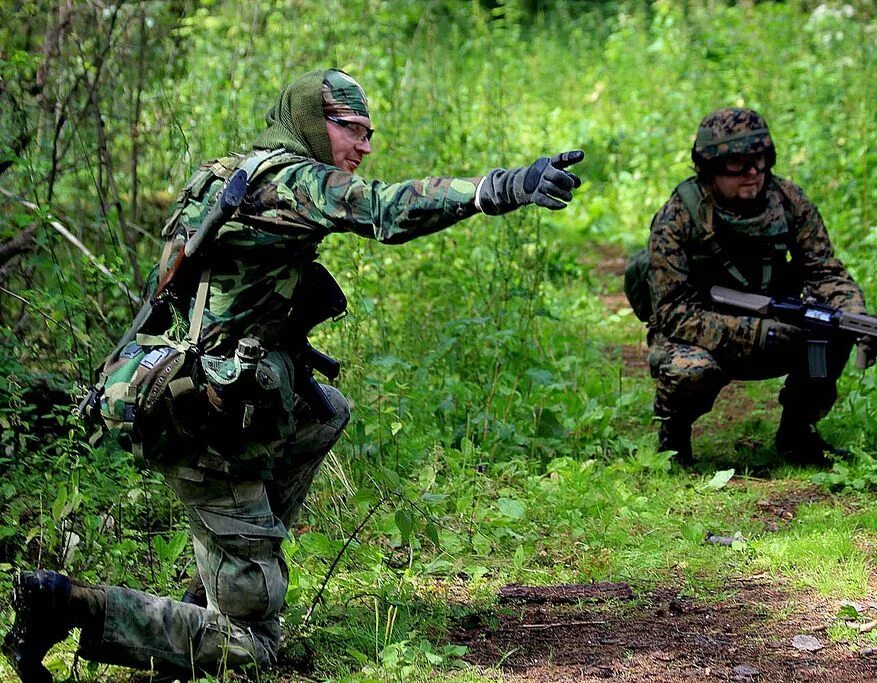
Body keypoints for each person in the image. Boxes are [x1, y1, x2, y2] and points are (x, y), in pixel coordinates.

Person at [3, 68, 583, 681]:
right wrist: (498, 188)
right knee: (253, 651)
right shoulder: (292, 180)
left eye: (369, 132)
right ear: (312, 122)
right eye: (350, 130)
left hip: (194, 391)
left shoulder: (231, 173)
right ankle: (73, 606)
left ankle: (222, 581)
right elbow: (385, 211)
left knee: (322, 408)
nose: (363, 146)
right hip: (210, 422)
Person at [644, 107, 869, 465]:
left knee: (832, 326)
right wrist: (755, 333)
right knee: (691, 372)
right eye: (737, 163)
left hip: (779, 326)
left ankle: (798, 433)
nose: (752, 172)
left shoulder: (789, 201)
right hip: (702, 338)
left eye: (760, 161)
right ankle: (673, 438)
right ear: (709, 168)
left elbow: (824, 272)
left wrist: (856, 314)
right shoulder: (678, 217)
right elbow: (673, 312)